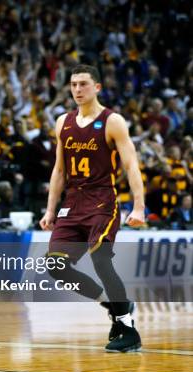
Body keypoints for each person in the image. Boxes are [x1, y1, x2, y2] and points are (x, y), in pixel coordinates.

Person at [39, 65, 146, 353]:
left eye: (83, 84)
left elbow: (131, 165)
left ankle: (128, 329)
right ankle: (111, 305)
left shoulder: (113, 121)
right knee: (55, 265)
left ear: (97, 87)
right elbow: (59, 170)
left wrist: (139, 207)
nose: (77, 89)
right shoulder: (63, 122)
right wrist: (50, 210)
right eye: (73, 84)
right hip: (73, 202)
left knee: (101, 259)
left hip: (102, 200)